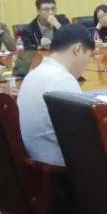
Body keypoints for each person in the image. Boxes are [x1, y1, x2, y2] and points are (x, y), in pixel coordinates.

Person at [17, 24, 93, 165]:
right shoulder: (63, 80)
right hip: (58, 167)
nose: (86, 66)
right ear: (77, 49)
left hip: (34, 160)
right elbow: (83, 135)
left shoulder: (34, 74)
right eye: (88, 57)